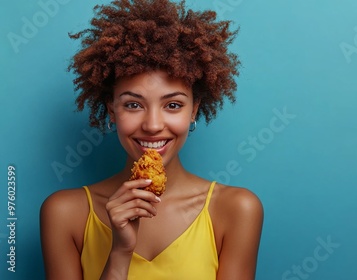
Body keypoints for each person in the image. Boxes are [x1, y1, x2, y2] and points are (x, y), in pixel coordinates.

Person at [40, 0, 264, 279]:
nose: (153, 125)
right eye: (133, 105)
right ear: (112, 110)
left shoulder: (236, 209)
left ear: (193, 110)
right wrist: (120, 252)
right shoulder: (64, 214)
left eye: (173, 105)